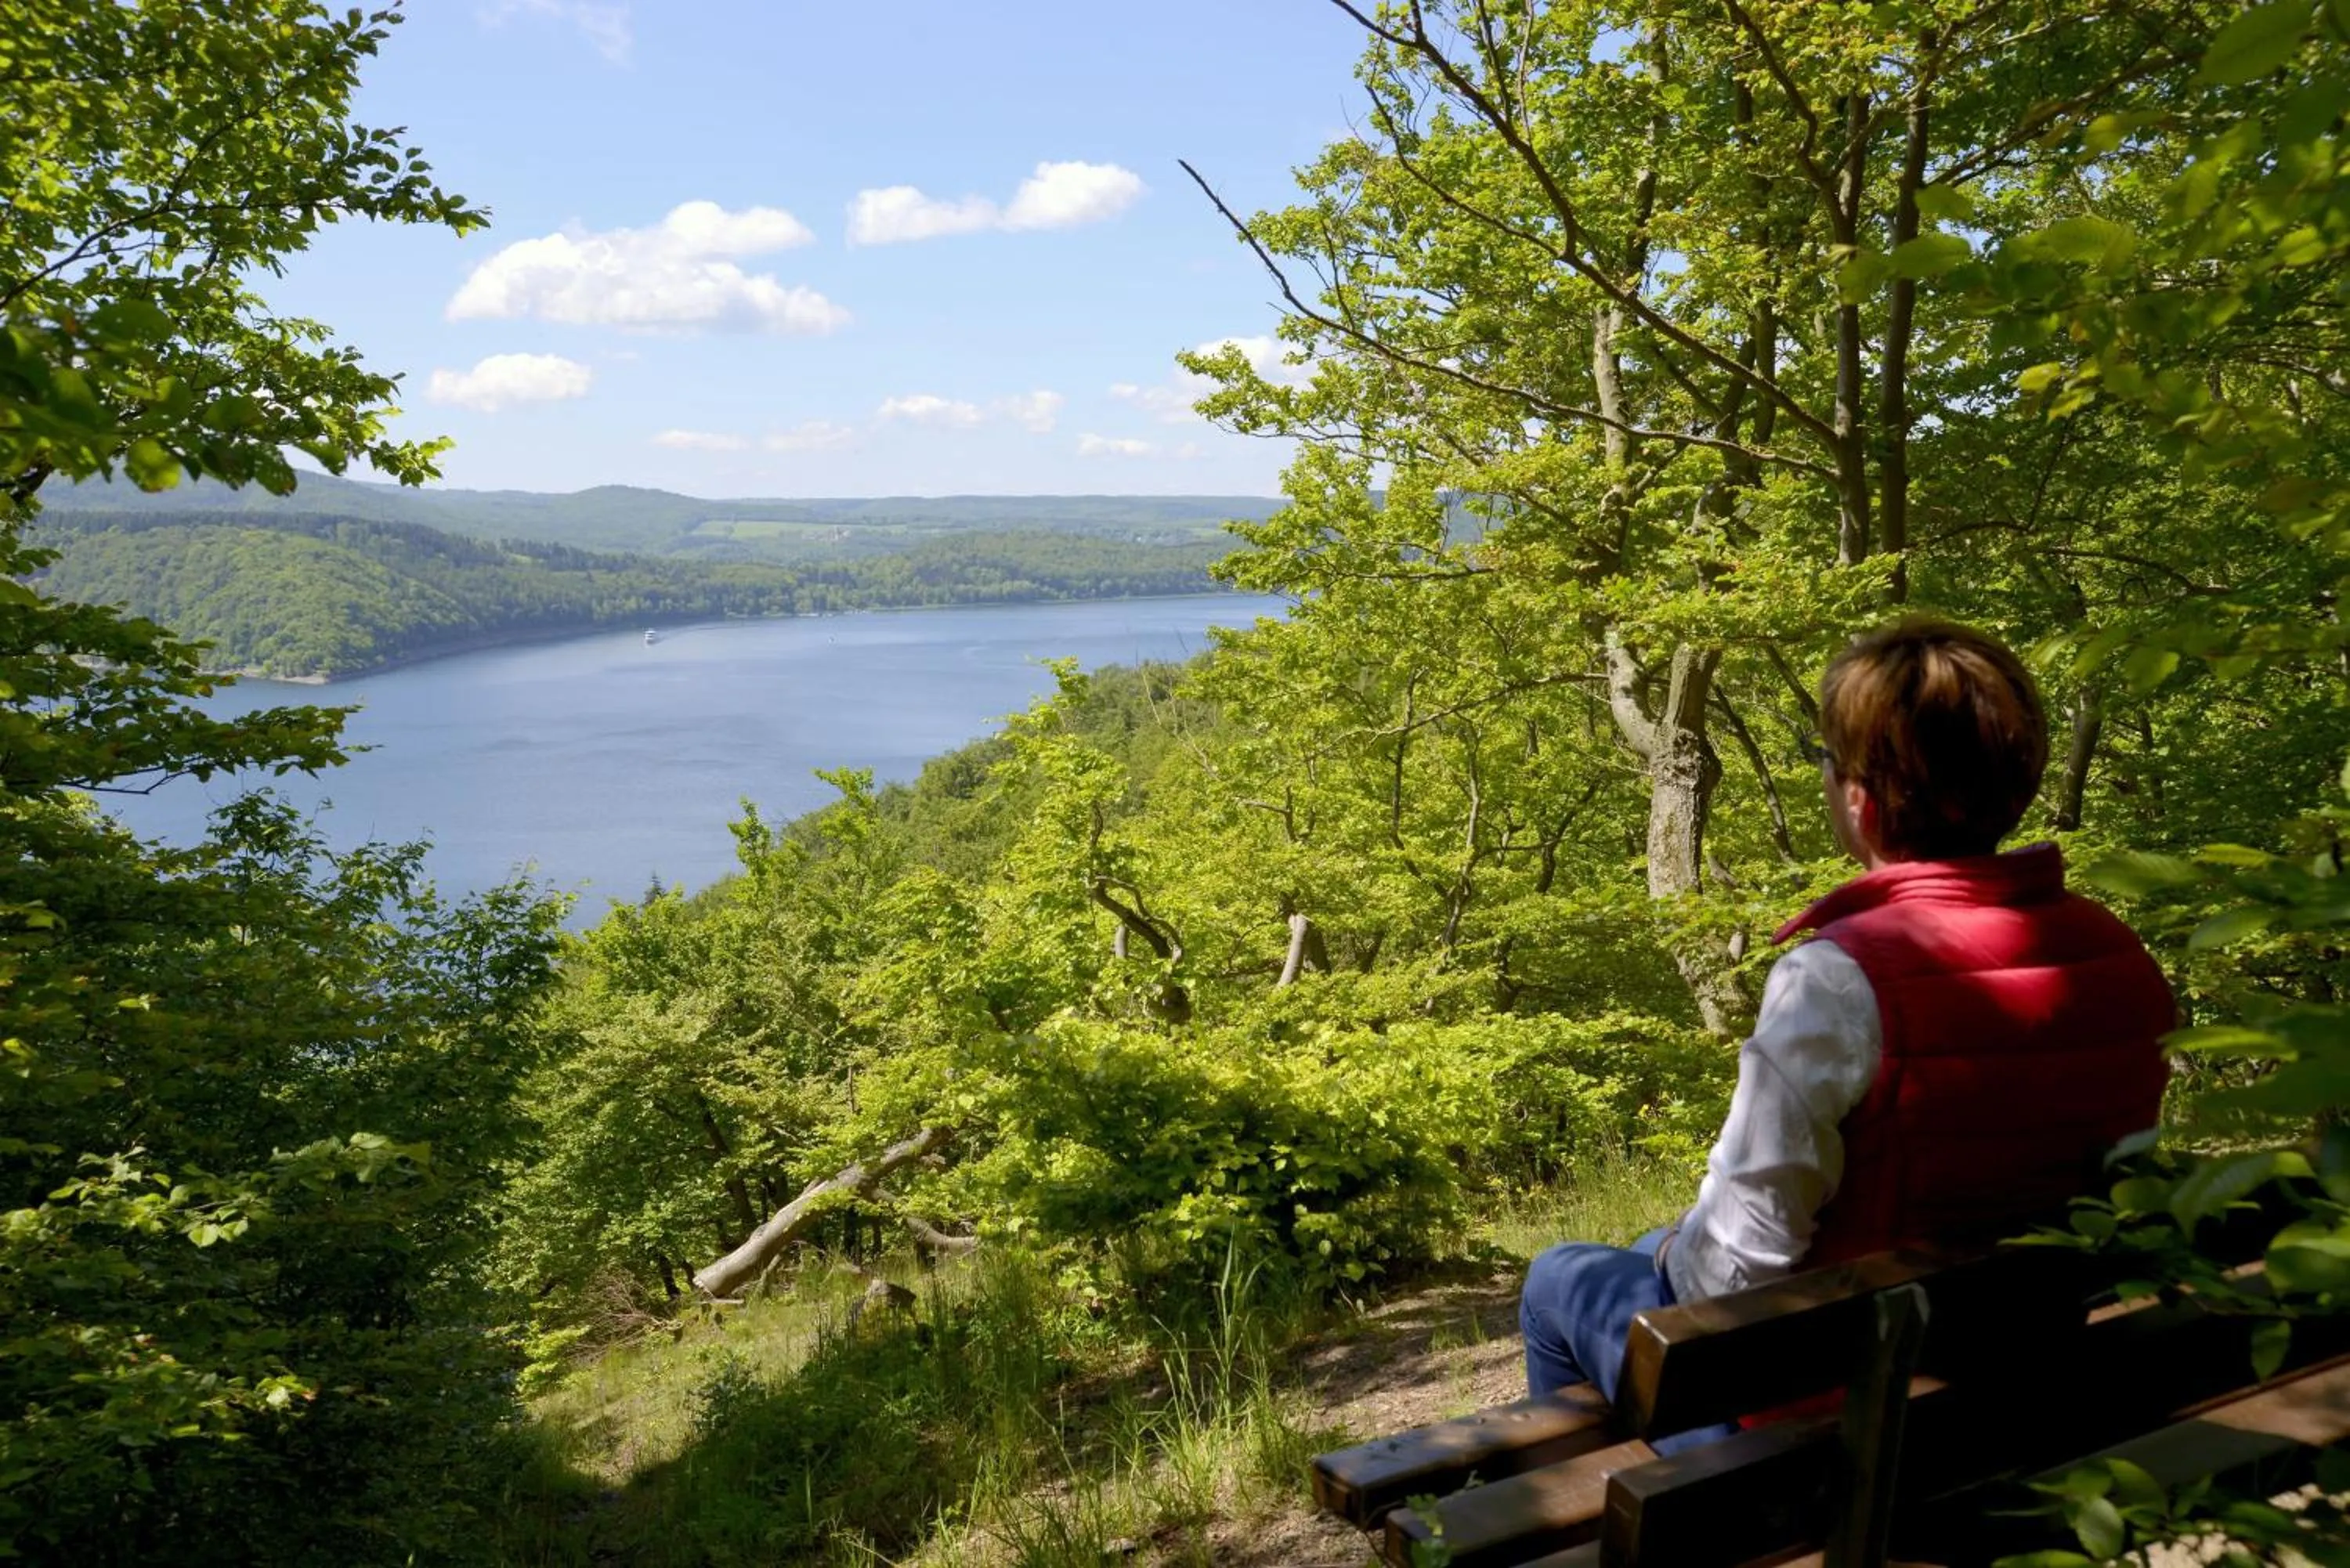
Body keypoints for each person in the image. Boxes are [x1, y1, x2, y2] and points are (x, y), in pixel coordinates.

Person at [1520, 619, 2172, 1427]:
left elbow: (1730, 1280)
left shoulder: (1840, 980)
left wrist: (1665, 1255)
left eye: (1827, 762)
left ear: (1860, 798)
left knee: (1557, 1280)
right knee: (1659, 1241)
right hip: (2020, 1390)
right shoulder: (2112, 951)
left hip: (1848, 1440)